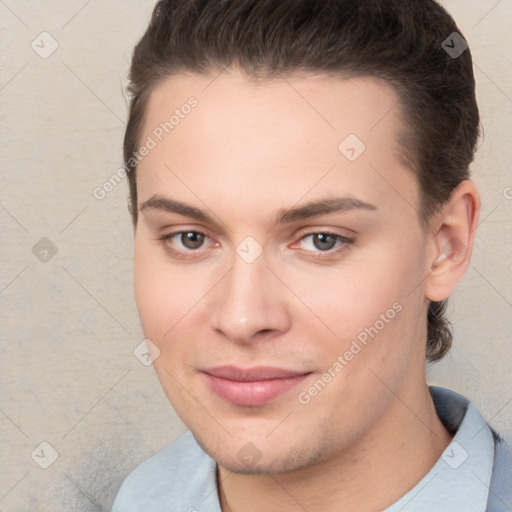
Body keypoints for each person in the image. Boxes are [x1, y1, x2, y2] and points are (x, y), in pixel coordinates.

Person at [112, 0, 511, 510]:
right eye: (190, 237)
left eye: (322, 239)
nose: (242, 317)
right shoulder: (136, 497)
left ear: (446, 244)